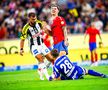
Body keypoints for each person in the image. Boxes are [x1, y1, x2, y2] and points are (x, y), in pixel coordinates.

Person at [20, 9, 53, 80]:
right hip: (34, 47)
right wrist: (21, 49)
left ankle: (41, 70)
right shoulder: (25, 28)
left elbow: (46, 30)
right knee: (40, 58)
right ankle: (48, 77)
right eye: (33, 19)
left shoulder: (39, 23)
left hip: (42, 44)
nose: (34, 20)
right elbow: (22, 39)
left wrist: (52, 34)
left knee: (51, 59)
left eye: (35, 19)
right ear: (29, 19)